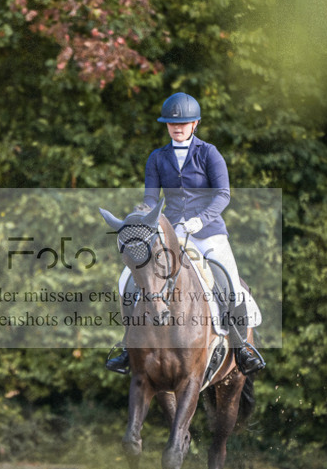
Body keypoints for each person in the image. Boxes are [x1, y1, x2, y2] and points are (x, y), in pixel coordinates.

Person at [106, 91, 266, 376]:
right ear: (166, 126)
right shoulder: (157, 157)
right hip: (169, 235)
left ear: (196, 124)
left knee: (229, 280)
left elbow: (223, 194)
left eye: (184, 123)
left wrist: (200, 220)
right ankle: (129, 347)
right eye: (171, 124)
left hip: (208, 233)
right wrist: (143, 217)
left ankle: (242, 348)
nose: (177, 127)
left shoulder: (209, 153)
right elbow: (152, 199)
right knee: (125, 281)